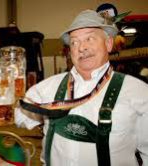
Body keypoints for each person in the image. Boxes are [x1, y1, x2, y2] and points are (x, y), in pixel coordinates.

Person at [15, 9, 148, 166]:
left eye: (89, 39)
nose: (81, 47)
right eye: (74, 42)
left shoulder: (138, 92)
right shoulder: (46, 88)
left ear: (108, 43)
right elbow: (19, 118)